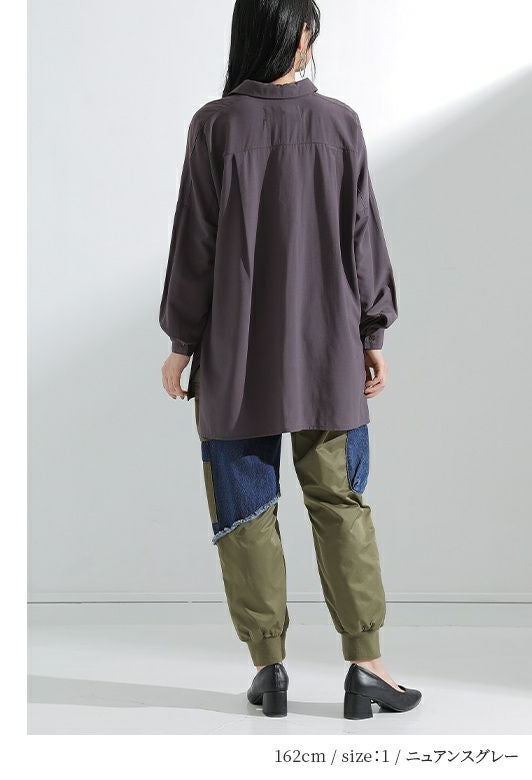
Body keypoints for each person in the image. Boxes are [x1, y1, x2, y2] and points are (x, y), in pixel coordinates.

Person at [158, 0, 422, 719]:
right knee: (340, 504)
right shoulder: (339, 124)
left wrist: (181, 343)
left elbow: (194, 244)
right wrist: (372, 333)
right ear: (301, 36)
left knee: (245, 512)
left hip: (236, 358)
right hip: (329, 354)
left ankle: (269, 669)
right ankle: (366, 665)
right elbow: (363, 233)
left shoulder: (215, 125)